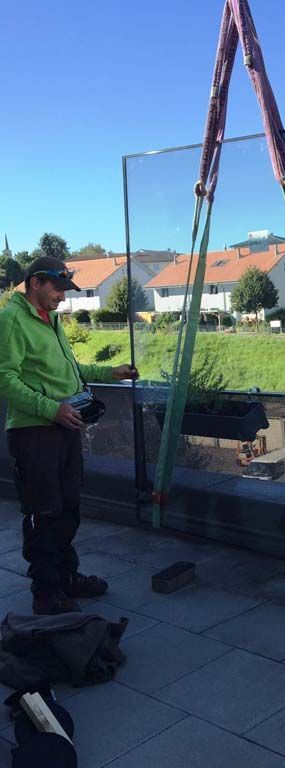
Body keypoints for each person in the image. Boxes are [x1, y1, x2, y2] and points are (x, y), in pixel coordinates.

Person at [0, 256, 139, 615]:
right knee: (44, 512)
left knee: (67, 508)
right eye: (57, 288)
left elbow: (71, 370)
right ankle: (45, 594)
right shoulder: (12, 319)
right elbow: (4, 379)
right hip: (35, 433)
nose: (63, 296)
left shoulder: (51, 320)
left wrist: (112, 373)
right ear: (35, 283)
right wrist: (52, 409)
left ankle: (65, 577)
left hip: (63, 426)